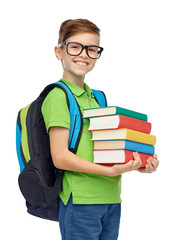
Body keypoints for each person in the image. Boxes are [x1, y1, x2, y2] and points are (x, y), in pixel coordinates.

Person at [41, 19, 159, 240]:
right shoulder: (58, 96)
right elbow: (60, 157)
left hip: (111, 198)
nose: (84, 54)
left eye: (92, 49)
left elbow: (105, 150)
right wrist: (110, 171)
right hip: (81, 200)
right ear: (59, 52)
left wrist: (137, 164)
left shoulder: (98, 98)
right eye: (75, 47)